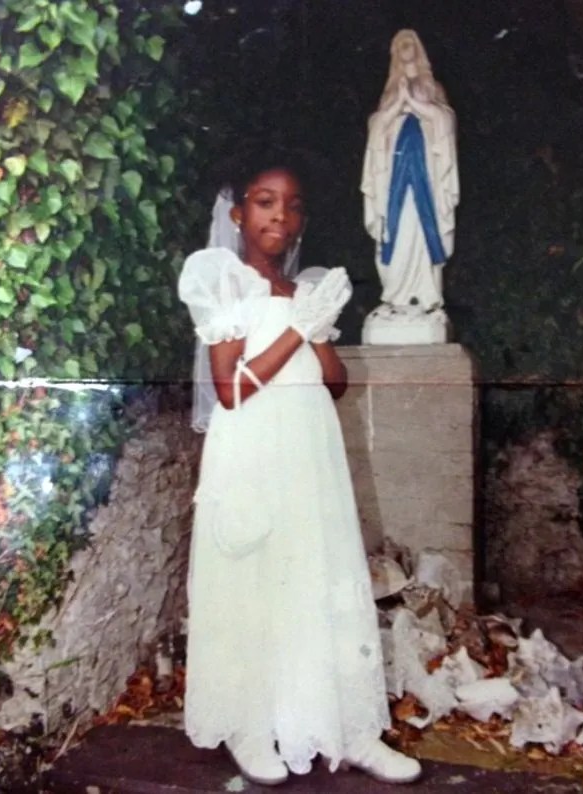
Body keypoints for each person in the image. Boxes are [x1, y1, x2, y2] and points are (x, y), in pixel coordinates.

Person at [177, 149, 422, 786]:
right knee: (255, 584)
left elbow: (333, 384)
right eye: (264, 202)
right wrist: (295, 331)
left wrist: (316, 329)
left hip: (309, 451)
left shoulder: (305, 287)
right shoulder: (221, 279)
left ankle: (348, 728)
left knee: (320, 577)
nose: (279, 216)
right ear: (237, 213)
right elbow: (230, 390)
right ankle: (250, 727)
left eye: (291, 206)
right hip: (253, 452)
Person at [361, 29, 459, 314]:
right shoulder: (390, 92)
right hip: (395, 174)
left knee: (421, 223)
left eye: (410, 44)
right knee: (398, 225)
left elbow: (444, 120)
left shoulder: (433, 88)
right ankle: (396, 293)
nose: (405, 49)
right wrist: (398, 104)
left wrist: (414, 104)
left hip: (425, 173)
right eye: (399, 45)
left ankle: (426, 292)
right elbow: (377, 127)